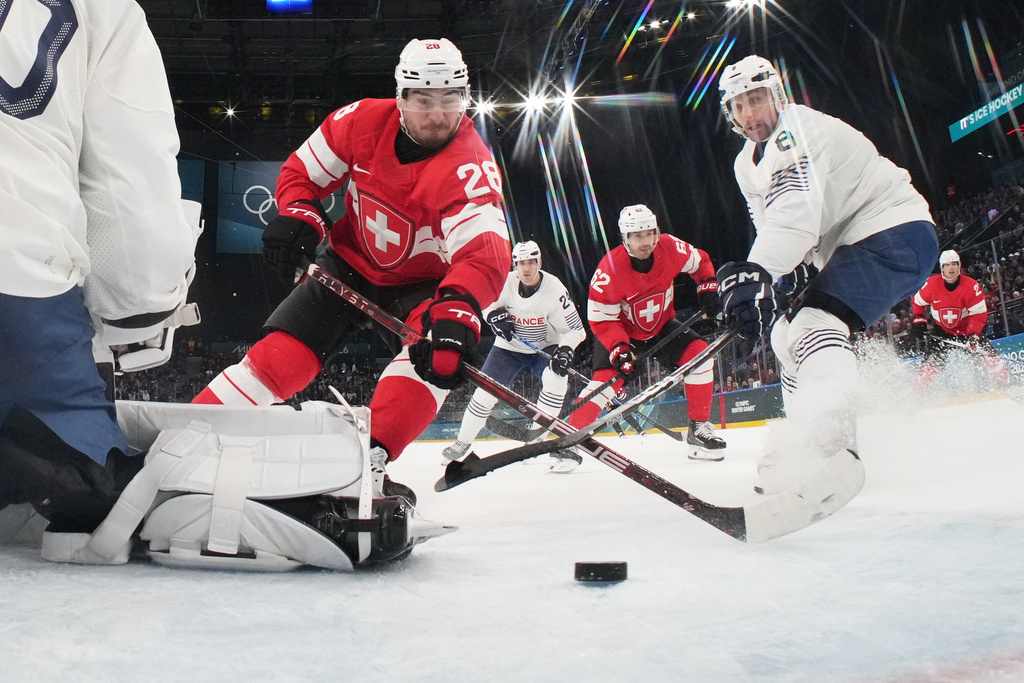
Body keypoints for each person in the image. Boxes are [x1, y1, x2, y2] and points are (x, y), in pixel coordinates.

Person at [193, 39, 511, 499]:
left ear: (465, 97)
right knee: (280, 359)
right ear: (401, 96)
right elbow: (302, 173)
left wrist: (460, 308)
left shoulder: (470, 165)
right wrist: (300, 214)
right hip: (348, 260)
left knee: (437, 359)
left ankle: (368, 465)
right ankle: (187, 436)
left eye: (451, 99)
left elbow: (485, 252)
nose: (439, 115)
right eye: (424, 99)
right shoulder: (360, 120)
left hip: (426, 284)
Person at [0, 0, 199, 533]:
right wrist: (141, 310)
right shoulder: (106, 8)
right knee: (88, 479)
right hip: (18, 271)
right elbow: (130, 190)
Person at [715, 55, 938, 494]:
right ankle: (805, 442)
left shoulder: (799, 131)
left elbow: (796, 219)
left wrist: (754, 275)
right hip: (851, 244)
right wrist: (773, 281)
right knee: (785, 334)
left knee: (816, 324)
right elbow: (771, 225)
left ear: (777, 97)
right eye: (739, 106)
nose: (748, 114)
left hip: (893, 231)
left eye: (756, 100)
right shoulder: (746, 164)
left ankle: (830, 443)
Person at [555, 204, 727, 474]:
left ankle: (698, 430)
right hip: (620, 333)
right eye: (638, 235)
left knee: (700, 355)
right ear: (625, 238)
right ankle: (569, 439)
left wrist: (706, 286)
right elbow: (602, 320)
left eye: (650, 233)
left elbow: (701, 261)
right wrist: (620, 350)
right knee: (607, 384)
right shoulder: (608, 271)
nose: (646, 241)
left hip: (661, 325)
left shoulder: (670, 247)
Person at [441, 241, 586, 471]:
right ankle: (463, 442)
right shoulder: (504, 283)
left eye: (531, 262)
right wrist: (494, 317)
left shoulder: (555, 289)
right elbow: (485, 303)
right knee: (485, 390)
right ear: (514, 265)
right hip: (509, 348)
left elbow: (576, 330)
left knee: (557, 381)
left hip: (546, 347)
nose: (526, 269)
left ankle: (535, 439)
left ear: (539, 263)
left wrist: (566, 349)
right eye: (520, 263)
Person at [911, 250, 1008, 390]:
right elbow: (918, 302)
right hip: (941, 332)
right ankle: (917, 398)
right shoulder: (931, 284)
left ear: (959, 266)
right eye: (947, 264)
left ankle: (1006, 387)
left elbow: (978, 315)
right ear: (942, 268)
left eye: (954, 264)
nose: (951, 268)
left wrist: (973, 334)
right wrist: (919, 319)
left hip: (967, 331)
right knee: (929, 369)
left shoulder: (971, 286)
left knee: (992, 361)